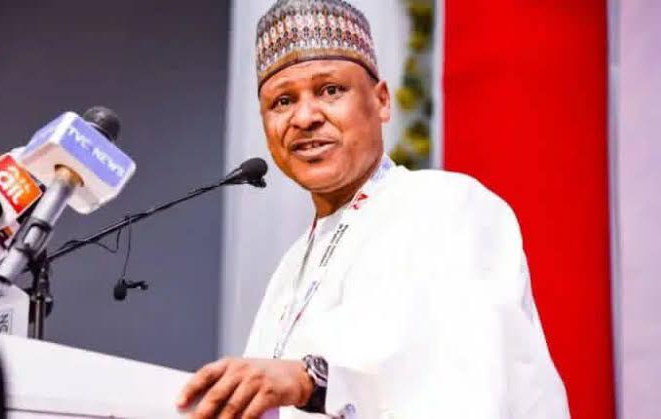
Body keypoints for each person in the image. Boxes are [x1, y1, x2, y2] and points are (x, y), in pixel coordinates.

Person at [177, 0, 570, 417]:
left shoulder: (448, 205)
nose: (305, 117)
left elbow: (460, 367)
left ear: (381, 101)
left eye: (330, 90)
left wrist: (310, 378)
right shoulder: (289, 269)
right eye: (282, 101)